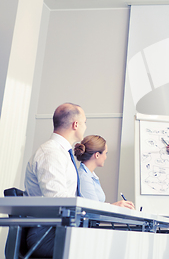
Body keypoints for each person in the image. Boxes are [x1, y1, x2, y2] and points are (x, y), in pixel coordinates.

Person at [24, 103, 87, 257]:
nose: (85, 127)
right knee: (99, 246)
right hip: (46, 233)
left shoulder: (61, 153)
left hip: (58, 228)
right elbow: (57, 199)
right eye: (85, 123)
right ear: (76, 124)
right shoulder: (50, 153)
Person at [74, 135, 135, 209]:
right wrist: (115, 206)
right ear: (97, 155)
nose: (106, 157)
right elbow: (93, 208)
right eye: (105, 153)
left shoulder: (89, 176)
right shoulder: (83, 177)